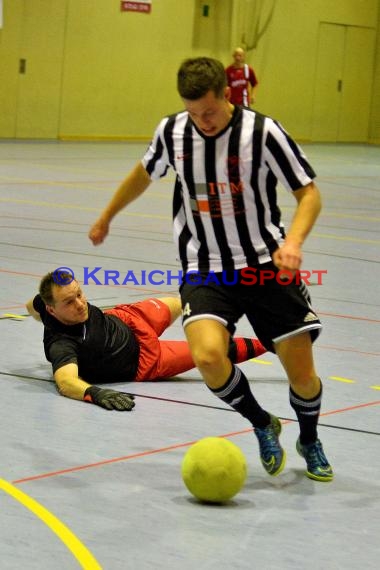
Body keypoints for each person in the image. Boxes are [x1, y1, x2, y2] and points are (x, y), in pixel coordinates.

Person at [88, 57, 333, 482]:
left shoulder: (263, 133)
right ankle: (262, 422)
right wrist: (107, 215)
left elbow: (308, 193)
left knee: (303, 376)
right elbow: (144, 174)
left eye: (210, 111)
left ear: (226, 96)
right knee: (206, 356)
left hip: (265, 265)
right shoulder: (173, 132)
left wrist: (293, 242)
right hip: (205, 267)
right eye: (194, 113)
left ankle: (309, 438)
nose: (203, 121)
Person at [26, 270, 266, 411]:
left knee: (187, 303)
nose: (80, 304)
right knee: (210, 354)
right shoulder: (61, 344)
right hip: (146, 360)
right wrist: (96, 394)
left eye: (79, 294)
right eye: (69, 302)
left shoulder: (45, 305)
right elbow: (66, 381)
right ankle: (273, 342)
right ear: (53, 310)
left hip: (128, 318)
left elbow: (32, 305)